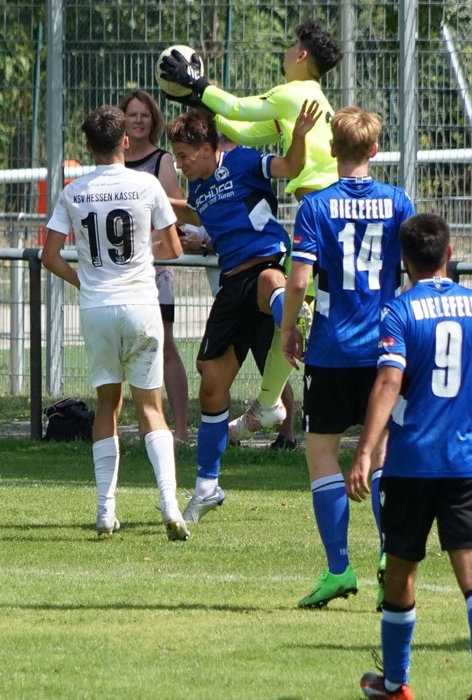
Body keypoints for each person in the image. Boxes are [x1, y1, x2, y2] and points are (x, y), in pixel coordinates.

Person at [346, 213, 472, 700]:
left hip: (410, 461)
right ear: (449, 253)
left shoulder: (399, 311)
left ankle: (396, 683)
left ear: (404, 259)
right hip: (466, 461)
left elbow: (389, 381)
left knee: (400, 570)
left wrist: (365, 451)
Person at [159, 20, 339, 445]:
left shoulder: (295, 92)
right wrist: (200, 102)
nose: (286, 51)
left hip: (323, 204)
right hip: (325, 203)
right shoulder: (304, 102)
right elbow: (240, 130)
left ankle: (291, 391)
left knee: (298, 304)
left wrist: (198, 85)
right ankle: (268, 404)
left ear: (301, 55)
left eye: (292, 45)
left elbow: (239, 109)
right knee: (290, 311)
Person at [280, 106, 416, 609]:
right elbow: (418, 270)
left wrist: (288, 328)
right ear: (375, 150)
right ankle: (386, 557)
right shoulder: (398, 202)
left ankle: (339, 568)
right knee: (380, 455)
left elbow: (298, 281)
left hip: (332, 348)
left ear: (333, 149)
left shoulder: (315, 207)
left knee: (322, 452)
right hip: (385, 348)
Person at [165, 102, 322, 525]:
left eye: (183, 155)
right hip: (232, 283)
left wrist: (300, 136)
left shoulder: (244, 161)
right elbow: (198, 211)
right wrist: (162, 201)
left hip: (267, 263)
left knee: (272, 282)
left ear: (206, 148)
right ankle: (206, 487)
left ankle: (297, 319)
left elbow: (290, 166)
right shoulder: (197, 188)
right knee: (211, 384)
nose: (179, 164)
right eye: (176, 156)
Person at [40, 104, 189, 541]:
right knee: (150, 407)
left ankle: (105, 510)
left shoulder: (73, 191)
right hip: (141, 303)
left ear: (88, 146)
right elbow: (174, 248)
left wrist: (84, 280)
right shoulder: (146, 184)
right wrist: (142, 255)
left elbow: (50, 255)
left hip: (98, 308)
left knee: (107, 404)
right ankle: (169, 504)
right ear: (125, 140)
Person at [119, 89, 190, 442]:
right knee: (127, 349)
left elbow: (174, 214)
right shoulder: (113, 160)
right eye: (132, 114)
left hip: (154, 268)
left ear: (153, 120)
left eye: (144, 115)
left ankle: (181, 429)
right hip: (119, 271)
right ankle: (143, 424)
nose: (138, 121)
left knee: (164, 344)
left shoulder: (161, 161)